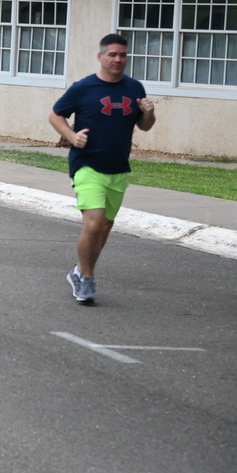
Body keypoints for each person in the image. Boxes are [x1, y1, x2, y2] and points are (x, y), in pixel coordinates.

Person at [49, 33, 156, 305]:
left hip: (118, 167)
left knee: (105, 226)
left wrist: (148, 113)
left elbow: (144, 126)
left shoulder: (135, 88)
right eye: (112, 55)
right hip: (87, 164)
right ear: (101, 56)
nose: (118, 59)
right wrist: (72, 137)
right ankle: (85, 278)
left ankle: (80, 271)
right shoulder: (83, 88)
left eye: (122, 55)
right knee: (94, 223)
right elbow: (55, 114)